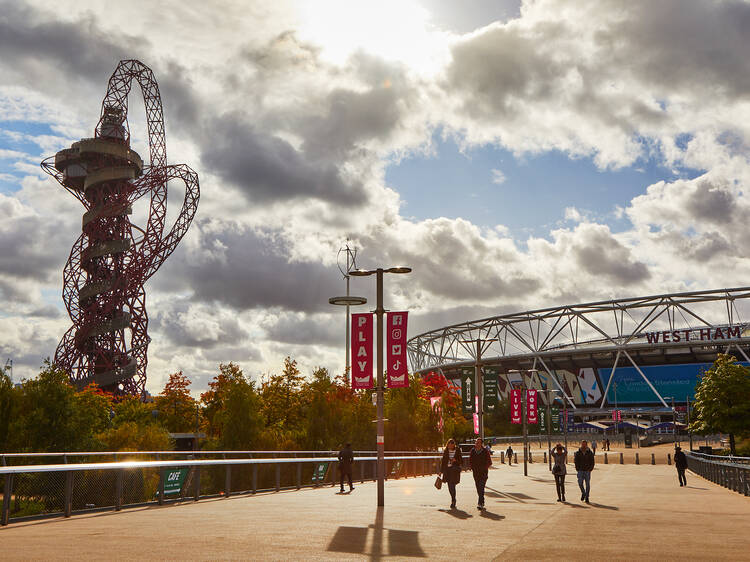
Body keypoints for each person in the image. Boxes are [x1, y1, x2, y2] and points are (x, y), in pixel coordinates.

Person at [468, 438, 492, 510]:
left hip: (483, 473)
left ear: (481, 444)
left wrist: (484, 468)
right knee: (478, 488)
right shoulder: (473, 451)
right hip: (476, 472)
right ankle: (482, 500)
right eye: (476, 442)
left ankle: (480, 503)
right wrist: (472, 467)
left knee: (481, 486)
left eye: (478, 442)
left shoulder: (485, 451)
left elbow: (489, 462)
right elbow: (470, 460)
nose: (477, 444)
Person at [441, 438, 463, 509]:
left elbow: (461, 461)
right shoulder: (446, 451)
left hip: (454, 470)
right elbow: (443, 462)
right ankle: (453, 498)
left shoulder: (457, 450)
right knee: (449, 486)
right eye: (449, 445)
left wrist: (455, 460)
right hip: (447, 470)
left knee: (452, 485)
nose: (450, 447)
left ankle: (453, 501)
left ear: (454, 445)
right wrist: (440, 471)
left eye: (451, 445)